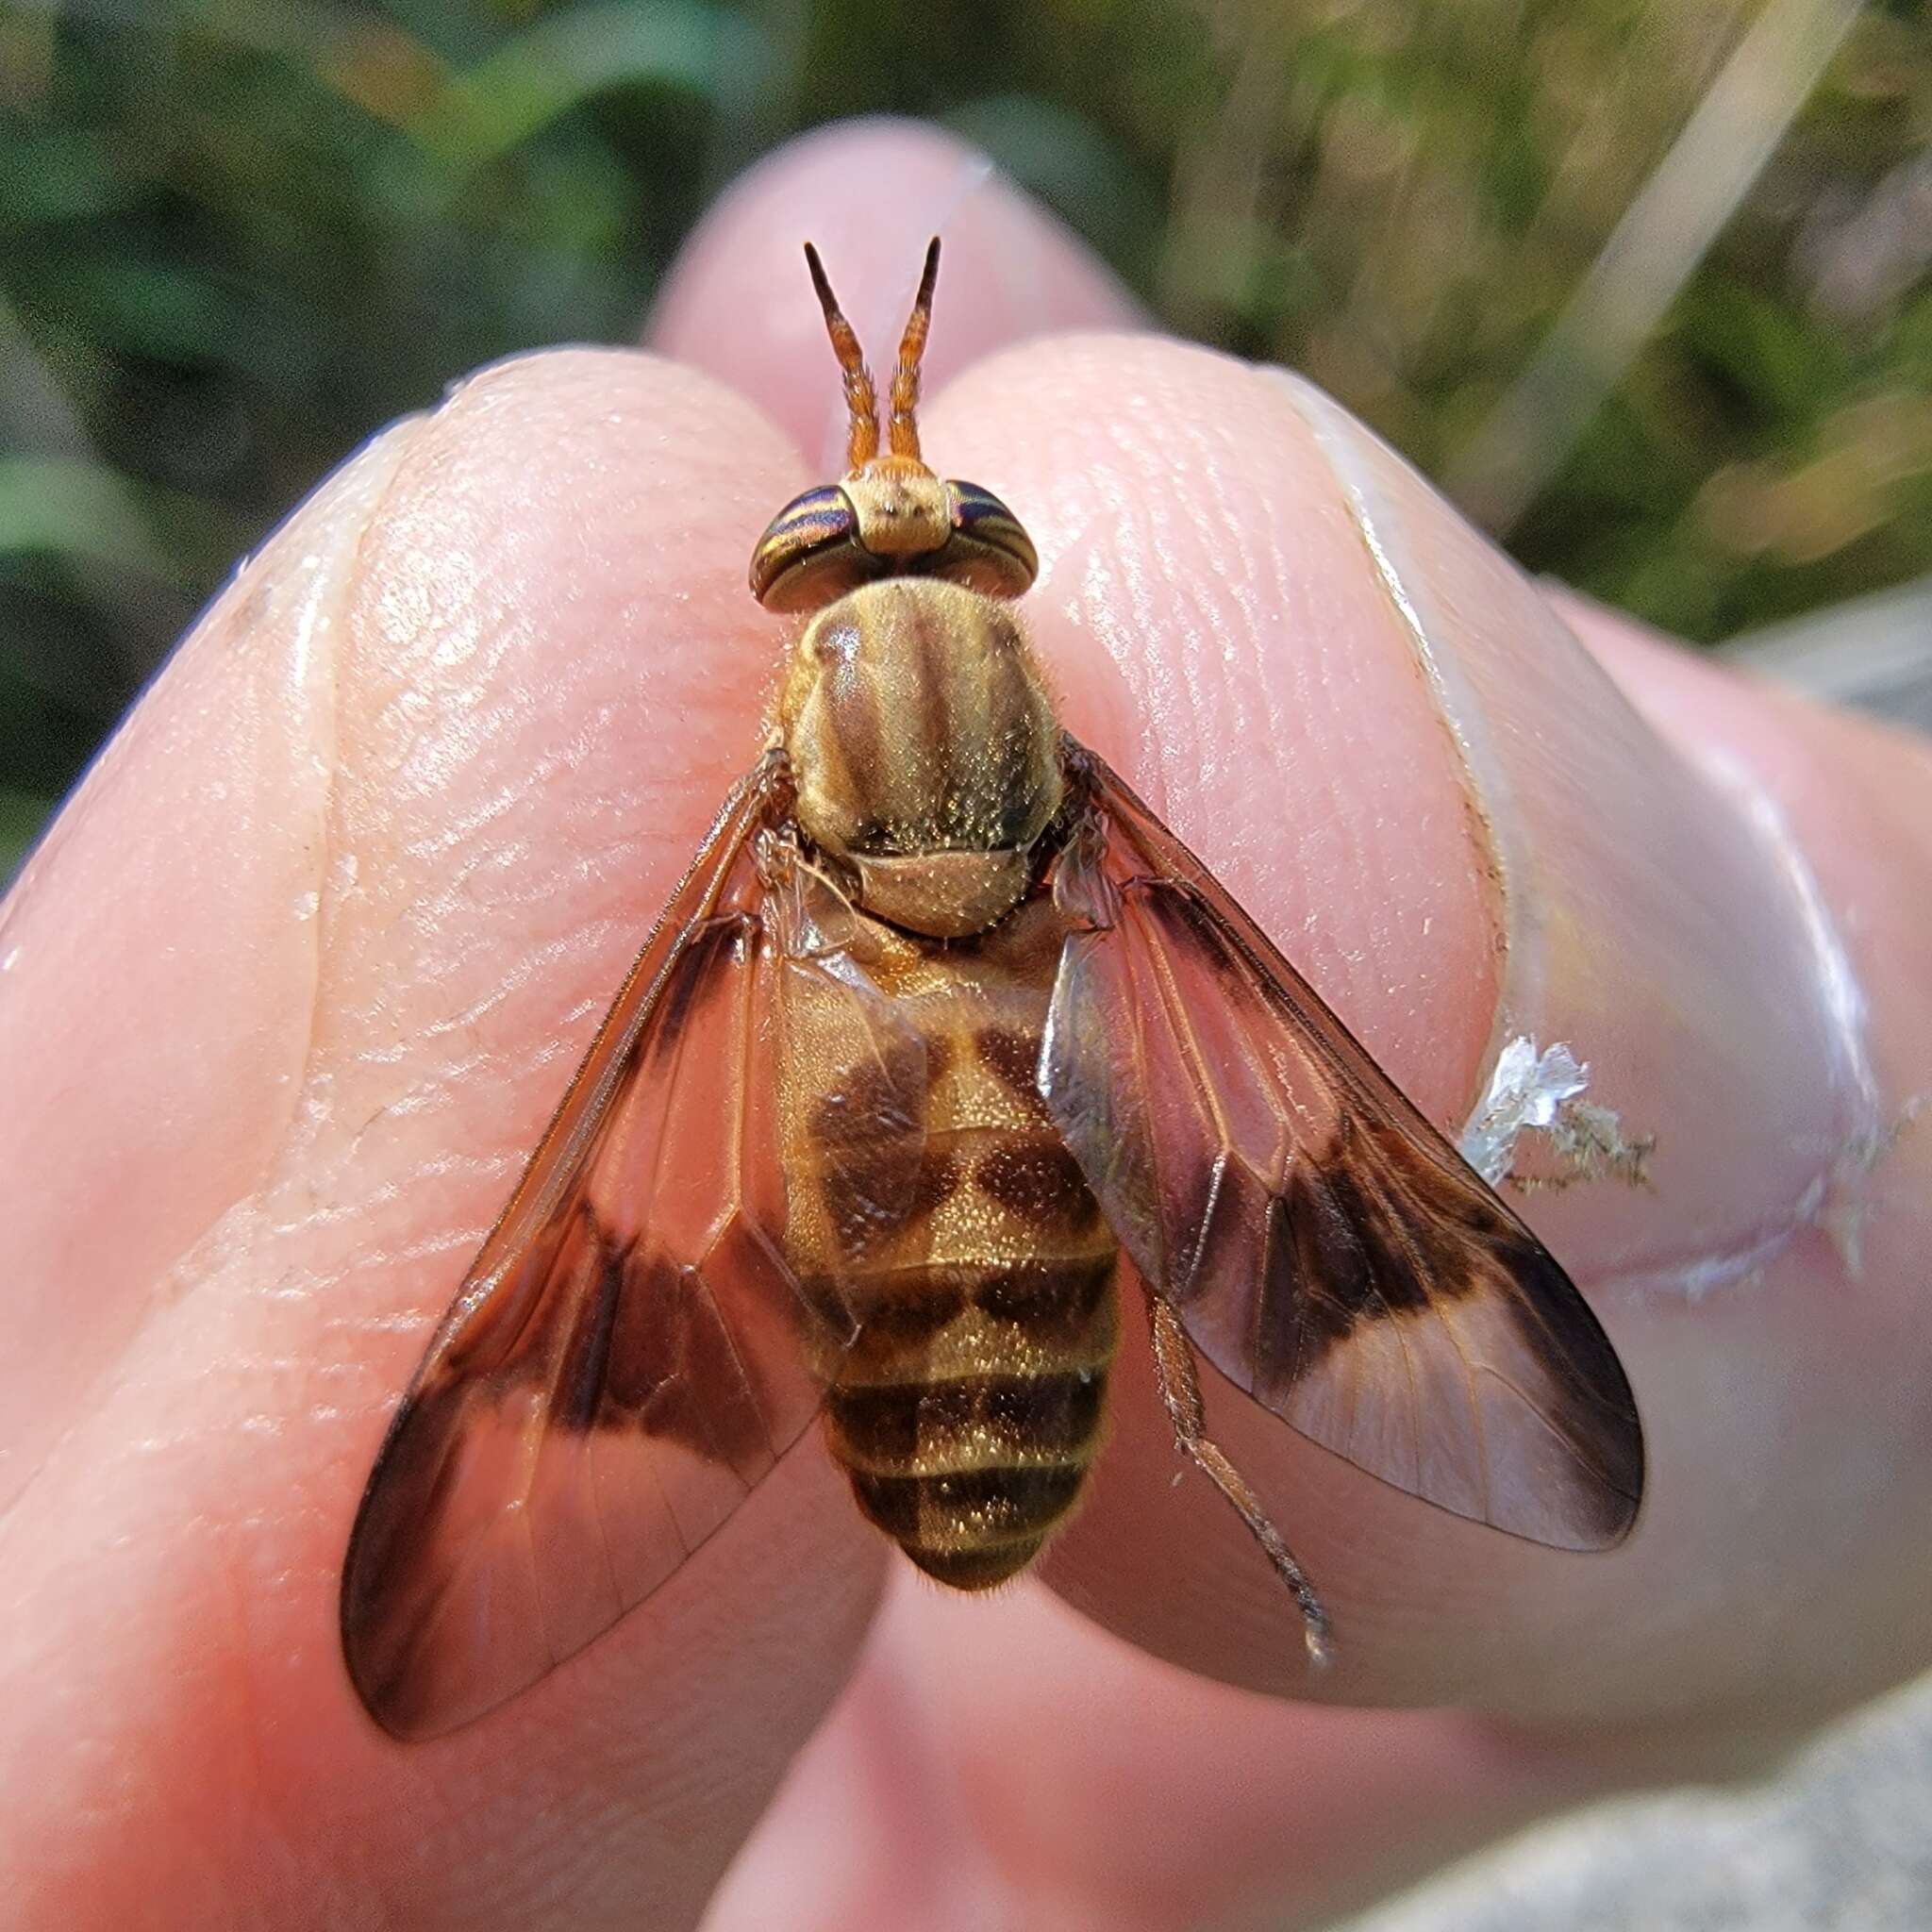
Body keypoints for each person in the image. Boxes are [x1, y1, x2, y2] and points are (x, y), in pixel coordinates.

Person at [3, 121, 1926, 1932]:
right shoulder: (1105, 821)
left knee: (612, 1216)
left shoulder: (763, 811)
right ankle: (1211, 1432)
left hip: (870, 1213)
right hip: (1040, 1261)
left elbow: (642, 1181)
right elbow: (1254, 1134)